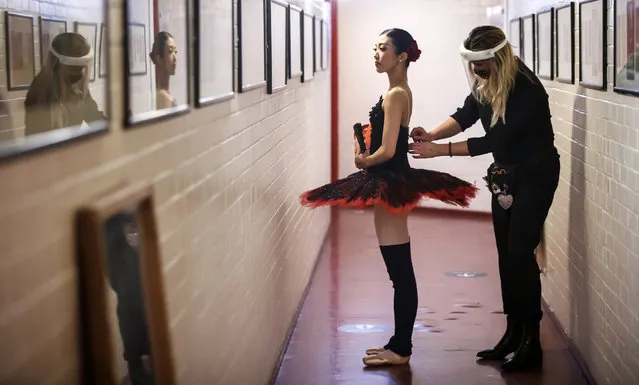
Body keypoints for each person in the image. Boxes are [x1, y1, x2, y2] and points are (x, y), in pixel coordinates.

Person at [300, 28, 478, 367]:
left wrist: (362, 159)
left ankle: (401, 348)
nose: (376, 54)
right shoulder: (395, 92)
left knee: (400, 273)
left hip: (391, 181)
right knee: (399, 272)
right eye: (375, 48)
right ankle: (400, 344)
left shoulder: (396, 94)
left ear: (402, 56)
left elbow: (388, 150)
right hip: (389, 181)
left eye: (383, 48)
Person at [408, 25, 560, 372]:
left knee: (522, 252)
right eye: (474, 65)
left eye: (483, 65)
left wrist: (438, 152)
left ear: (499, 58)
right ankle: (513, 332)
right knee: (507, 254)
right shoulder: (486, 81)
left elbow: (491, 142)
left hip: (535, 174)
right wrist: (431, 134)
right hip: (506, 176)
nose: (477, 71)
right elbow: (465, 116)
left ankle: (531, 342)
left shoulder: (526, 87)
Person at [24, 32, 106, 135]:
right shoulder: (40, 92)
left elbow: (93, 116)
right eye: (74, 69)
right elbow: (38, 139)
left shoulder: (79, 87)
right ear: (57, 66)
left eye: (81, 68)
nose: (80, 75)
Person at [149, 31, 177, 109]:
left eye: (175, 52)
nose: (175, 58)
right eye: (170, 51)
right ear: (159, 58)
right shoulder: (162, 97)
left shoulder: (167, 94)